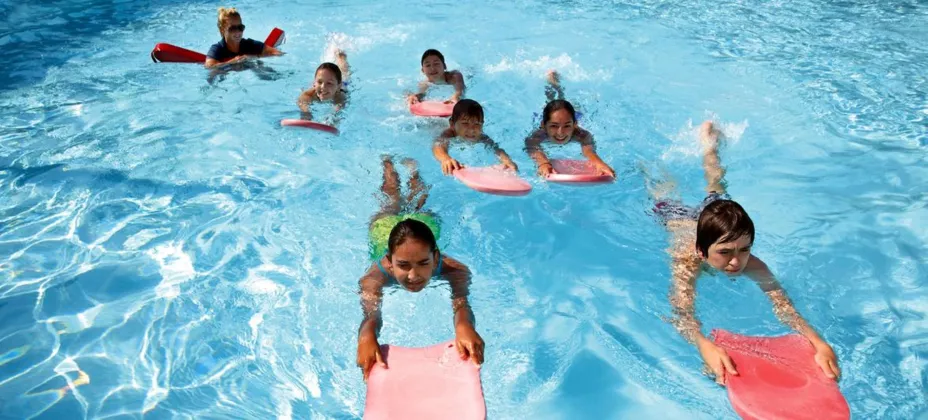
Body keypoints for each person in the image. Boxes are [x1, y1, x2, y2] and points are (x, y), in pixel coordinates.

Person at [649, 120, 840, 386]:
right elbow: (681, 314)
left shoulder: (751, 263)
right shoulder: (686, 261)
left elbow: (783, 307)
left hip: (716, 217)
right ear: (701, 252)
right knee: (663, 191)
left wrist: (818, 342)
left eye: (745, 248)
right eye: (726, 252)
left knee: (716, 185)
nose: (737, 262)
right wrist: (703, 344)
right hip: (680, 220)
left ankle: (708, 143)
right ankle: (649, 165)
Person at [356, 156, 484, 380]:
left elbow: (461, 302)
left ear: (435, 257)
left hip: (422, 225)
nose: (413, 276)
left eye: (424, 263)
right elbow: (370, 315)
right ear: (389, 260)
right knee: (391, 201)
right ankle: (388, 164)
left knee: (418, 200)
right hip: (384, 228)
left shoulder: (455, 270)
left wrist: (464, 325)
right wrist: (366, 337)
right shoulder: (374, 277)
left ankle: (414, 170)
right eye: (403, 265)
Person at [524, 70, 615, 177]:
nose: (561, 133)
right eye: (554, 126)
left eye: (567, 126)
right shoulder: (539, 135)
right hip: (546, 116)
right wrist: (543, 163)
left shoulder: (582, 135)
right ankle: (552, 83)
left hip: (572, 114)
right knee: (550, 101)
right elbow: (531, 145)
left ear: (575, 124)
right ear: (543, 125)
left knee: (561, 102)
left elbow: (589, 152)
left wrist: (599, 163)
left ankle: (556, 85)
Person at [432, 99, 518, 175]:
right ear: (452, 124)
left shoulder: (481, 136)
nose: (472, 129)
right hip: (434, 124)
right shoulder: (449, 134)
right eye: (465, 123)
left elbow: (496, 149)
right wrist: (445, 158)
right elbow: (438, 145)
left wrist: (506, 160)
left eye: (477, 124)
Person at [205, 7, 283, 69]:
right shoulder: (217, 48)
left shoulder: (249, 44)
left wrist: (253, 57)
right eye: (232, 28)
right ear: (222, 30)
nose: (238, 32)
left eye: (240, 27)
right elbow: (208, 66)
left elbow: (279, 53)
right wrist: (231, 62)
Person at [297, 50, 350, 121]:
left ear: (338, 86)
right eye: (319, 82)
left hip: (343, 84)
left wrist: (331, 120)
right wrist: (306, 113)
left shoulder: (340, 97)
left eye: (329, 83)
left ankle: (341, 56)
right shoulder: (309, 94)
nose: (323, 87)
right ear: (314, 83)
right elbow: (302, 101)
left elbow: (337, 113)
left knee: (344, 71)